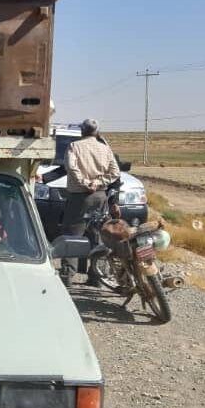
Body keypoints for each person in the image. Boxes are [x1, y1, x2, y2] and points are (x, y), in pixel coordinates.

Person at [60, 118, 120, 287]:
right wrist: (99, 182)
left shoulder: (74, 146)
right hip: (100, 197)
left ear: (82, 131)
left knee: (72, 235)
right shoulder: (105, 148)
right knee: (96, 236)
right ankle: (95, 277)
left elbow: (71, 167)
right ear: (96, 131)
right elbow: (115, 172)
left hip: (80, 197)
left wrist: (84, 183)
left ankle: (67, 277)